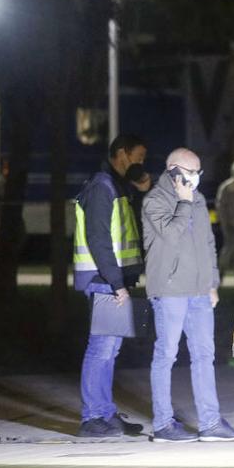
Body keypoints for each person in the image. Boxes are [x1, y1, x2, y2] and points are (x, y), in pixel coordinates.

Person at [143, 148, 234, 443]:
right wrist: (185, 203)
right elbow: (171, 237)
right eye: (192, 172)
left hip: (200, 292)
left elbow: (207, 244)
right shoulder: (155, 201)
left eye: (199, 172)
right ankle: (163, 424)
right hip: (170, 290)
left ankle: (211, 423)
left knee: (205, 354)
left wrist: (212, 283)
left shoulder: (199, 200)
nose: (197, 177)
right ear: (174, 171)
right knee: (166, 354)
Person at [72, 133, 149, 438]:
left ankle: (104, 413)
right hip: (103, 280)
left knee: (111, 349)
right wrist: (116, 283)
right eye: (138, 157)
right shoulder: (101, 187)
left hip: (114, 280)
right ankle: (92, 417)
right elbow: (99, 239)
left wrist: (142, 190)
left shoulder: (118, 187)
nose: (141, 163)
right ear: (121, 153)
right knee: (101, 349)